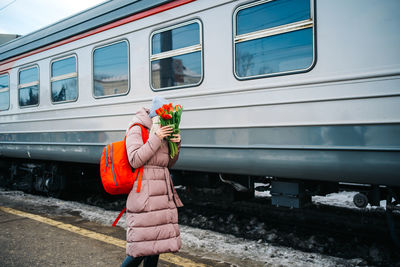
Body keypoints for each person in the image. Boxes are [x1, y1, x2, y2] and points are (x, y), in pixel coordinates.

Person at [121, 96, 183, 267]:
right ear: (155, 116)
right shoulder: (137, 128)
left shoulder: (161, 130)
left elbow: (167, 164)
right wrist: (155, 137)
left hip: (161, 195)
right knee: (141, 247)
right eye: (162, 119)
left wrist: (176, 146)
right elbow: (134, 159)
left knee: (156, 247)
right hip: (145, 196)